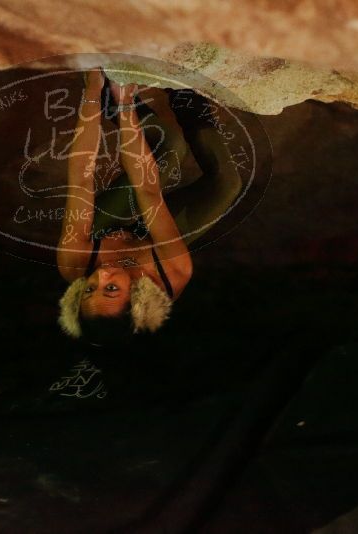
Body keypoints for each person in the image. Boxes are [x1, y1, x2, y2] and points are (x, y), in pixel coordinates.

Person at [56, 68, 242, 343]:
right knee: (227, 185)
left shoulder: (75, 262)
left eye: (89, 289)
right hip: (153, 242)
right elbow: (148, 192)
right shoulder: (172, 272)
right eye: (110, 288)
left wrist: (94, 91)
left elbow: (82, 178)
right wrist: (126, 105)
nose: (101, 274)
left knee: (168, 145)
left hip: (105, 227)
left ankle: (110, 90)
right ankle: (186, 92)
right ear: (136, 295)